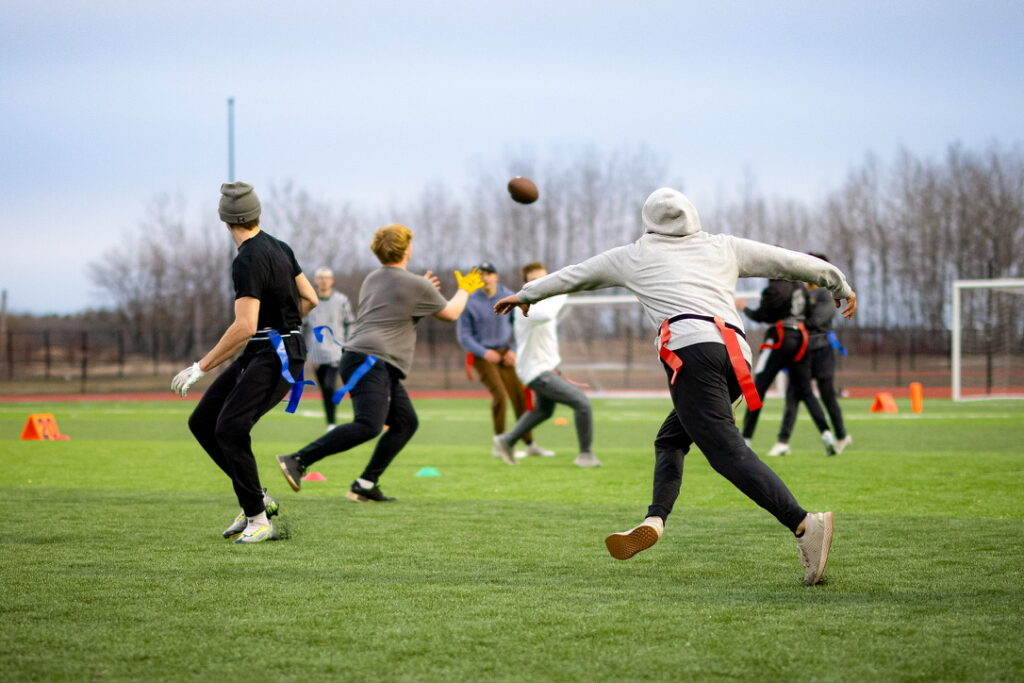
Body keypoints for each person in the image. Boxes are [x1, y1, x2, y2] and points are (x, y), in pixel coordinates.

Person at [494, 188, 857, 585]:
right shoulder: (724, 247)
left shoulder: (635, 254)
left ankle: (805, 524)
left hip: (692, 352)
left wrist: (526, 294)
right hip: (735, 355)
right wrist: (837, 283)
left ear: (648, 220)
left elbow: (577, 274)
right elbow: (788, 261)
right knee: (670, 439)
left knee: (724, 451)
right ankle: (655, 519)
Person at [276, 224, 483, 502]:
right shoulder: (415, 284)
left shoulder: (374, 278)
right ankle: (298, 460)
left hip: (365, 358)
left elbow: (394, 309)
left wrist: (423, 292)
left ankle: (365, 483)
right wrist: (465, 289)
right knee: (369, 425)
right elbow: (452, 312)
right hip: (371, 360)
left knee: (405, 423)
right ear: (407, 248)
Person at [172, 182, 318, 544]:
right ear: (256, 214)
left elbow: (245, 325)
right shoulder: (280, 247)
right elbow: (310, 298)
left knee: (230, 429)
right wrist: (285, 323)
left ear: (225, 220)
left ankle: (258, 519)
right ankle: (258, 499)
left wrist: (200, 367)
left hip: (276, 354)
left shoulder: (248, 259)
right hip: (267, 350)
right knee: (204, 422)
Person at [491, 261, 599, 467]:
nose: (540, 284)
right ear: (525, 285)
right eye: (534, 281)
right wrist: (562, 290)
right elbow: (546, 315)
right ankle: (586, 455)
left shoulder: (546, 302)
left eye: (544, 280)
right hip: (535, 371)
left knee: (544, 410)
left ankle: (507, 440)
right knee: (581, 403)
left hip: (548, 368)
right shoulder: (523, 306)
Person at [457, 261, 554, 459]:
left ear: (496, 276)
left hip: (506, 354)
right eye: (480, 274)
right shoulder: (469, 301)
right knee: (500, 395)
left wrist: (514, 350)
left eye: (489, 274)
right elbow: (464, 337)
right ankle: (500, 442)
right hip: (482, 356)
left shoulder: (509, 295)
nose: (485, 278)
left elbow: (521, 324)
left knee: (520, 396)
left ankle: (529, 443)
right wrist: (484, 353)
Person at [740, 278, 838, 455]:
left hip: (779, 338)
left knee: (758, 388)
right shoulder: (800, 287)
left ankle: (746, 439)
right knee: (806, 391)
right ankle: (826, 434)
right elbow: (808, 313)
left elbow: (764, 315)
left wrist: (745, 309)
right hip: (801, 340)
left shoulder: (774, 288)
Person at [768, 253, 852, 457]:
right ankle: (783, 441)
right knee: (793, 396)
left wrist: (793, 324)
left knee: (827, 396)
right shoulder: (799, 292)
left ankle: (841, 436)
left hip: (821, 350)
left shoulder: (826, 294)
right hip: (801, 352)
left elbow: (817, 320)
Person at [303, 267, 355, 431]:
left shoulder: (341, 300)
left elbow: (350, 323)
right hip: (316, 353)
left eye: (327, 278)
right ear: (316, 280)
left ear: (331, 281)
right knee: (324, 390)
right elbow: (301, 325)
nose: (324, 281)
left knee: (329, 386)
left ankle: (332, 423)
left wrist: (348, 344)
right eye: (320, 278)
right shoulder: (309, 302)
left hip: (335, 352)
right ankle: (330, 421)